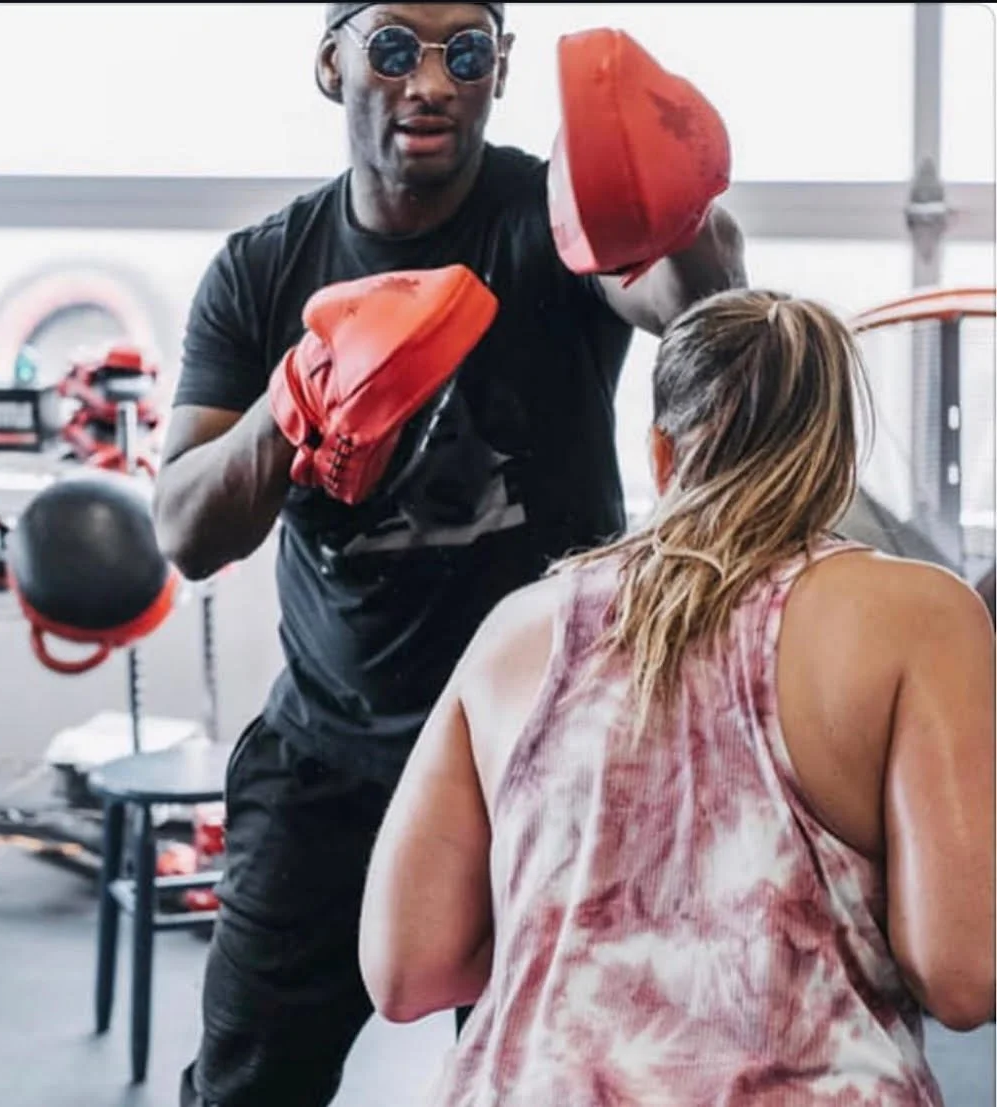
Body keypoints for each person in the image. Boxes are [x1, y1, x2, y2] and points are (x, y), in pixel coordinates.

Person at [153, 5, 746, 1105]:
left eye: (462, 52)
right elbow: (184, 531)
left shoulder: (546, 217)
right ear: (333, 63)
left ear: (499, 73)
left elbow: (688, 305)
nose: (429, 80)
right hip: (328, 752)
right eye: (393, 47)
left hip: (547, 757)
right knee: (245, 1084)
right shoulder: (259, 270)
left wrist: (667, 204)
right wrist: (294, 401)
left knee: (555, 1085)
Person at [358, 288, 996, 1105]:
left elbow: (407, 967)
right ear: (837, 461)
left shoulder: (517, 632)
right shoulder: (920, 616)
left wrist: (607, 939)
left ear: (661, 455)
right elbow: (962, 975)